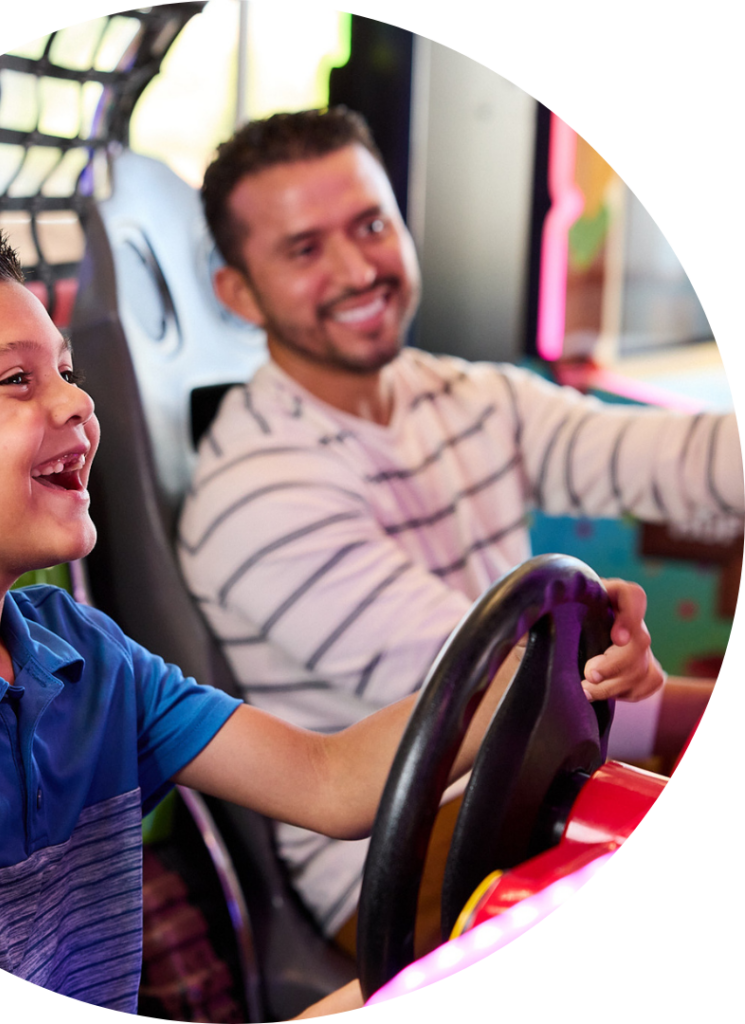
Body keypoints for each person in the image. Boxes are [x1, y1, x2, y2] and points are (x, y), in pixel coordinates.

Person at [0, 221, 661, 1018]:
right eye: (17, 382)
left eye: (66, 370)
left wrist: (556, 662)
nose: (77, 400)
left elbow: (334, 780)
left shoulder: (83, 654)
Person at [178, 107, 744, 946]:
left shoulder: (469, 396)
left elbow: (681, 457)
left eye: (370, 224)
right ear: (239, 292)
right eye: (304, 250)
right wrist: (660, 701)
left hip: (541, 776)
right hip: (403, 858)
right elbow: (505, 692)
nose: (357, 268)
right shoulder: (253, 494)